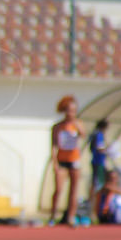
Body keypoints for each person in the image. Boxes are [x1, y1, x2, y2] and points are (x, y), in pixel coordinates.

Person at [49, 95, 86, 226]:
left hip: (74, 160)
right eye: (69, 110)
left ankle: (71, 216)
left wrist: (76, 124)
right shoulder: (58, 126)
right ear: (64, 111)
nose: (71, 113)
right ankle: (53, 215)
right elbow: (53, 145)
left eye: (73, 111)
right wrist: (54, 162)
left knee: (74, 190)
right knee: (58, 188)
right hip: (61, 160)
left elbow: (84, 135)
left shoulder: (78, 124)